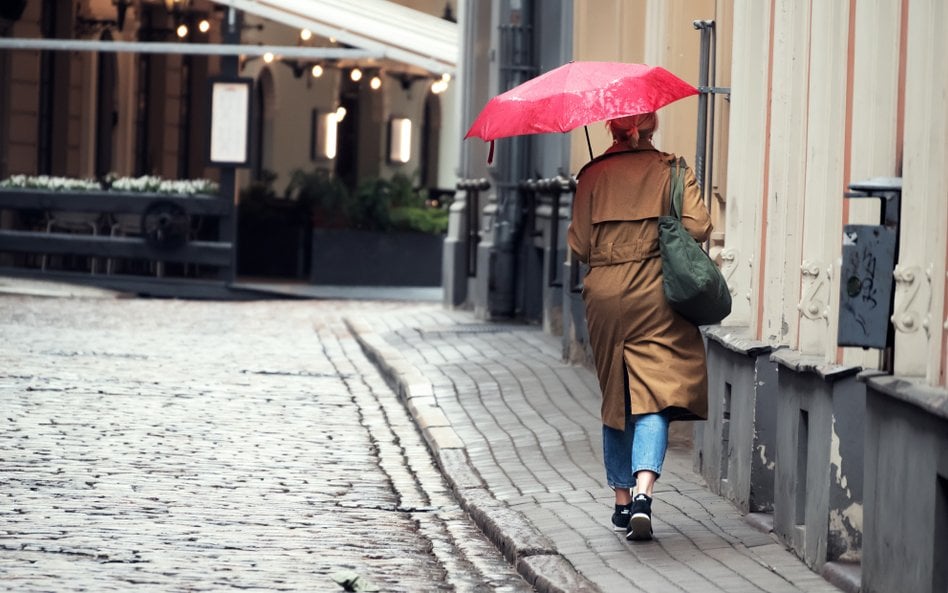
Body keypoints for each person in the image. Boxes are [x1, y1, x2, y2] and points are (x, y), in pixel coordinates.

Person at [566, 112, 712, 541]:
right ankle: (645, 494)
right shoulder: (672, 170)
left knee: (617, 396)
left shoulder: (592, 174)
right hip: (656, 292)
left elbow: (578, 246)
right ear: (652, 128)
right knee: (655, 392)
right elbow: (700, 226)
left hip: (606, 296)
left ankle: (621, 502)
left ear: (612, 129)